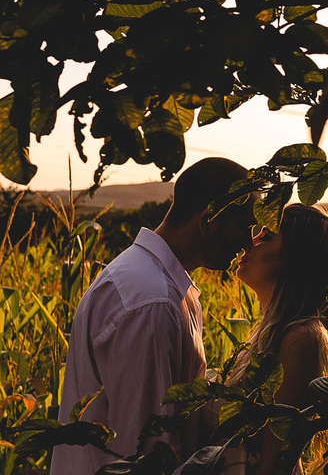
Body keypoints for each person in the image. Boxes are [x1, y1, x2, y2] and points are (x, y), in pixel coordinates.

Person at [52, 157, 255, 475]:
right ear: (208, 220)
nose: (248, 243)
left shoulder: (157, 286)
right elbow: (147, 452)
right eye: (244, 227)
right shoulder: (152, 303)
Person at [212, 203, 328, 474]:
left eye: (266, 236)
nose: (249, 243)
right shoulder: (272, 332)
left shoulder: (301, 338)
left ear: (295, 257)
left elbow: (276, 459)